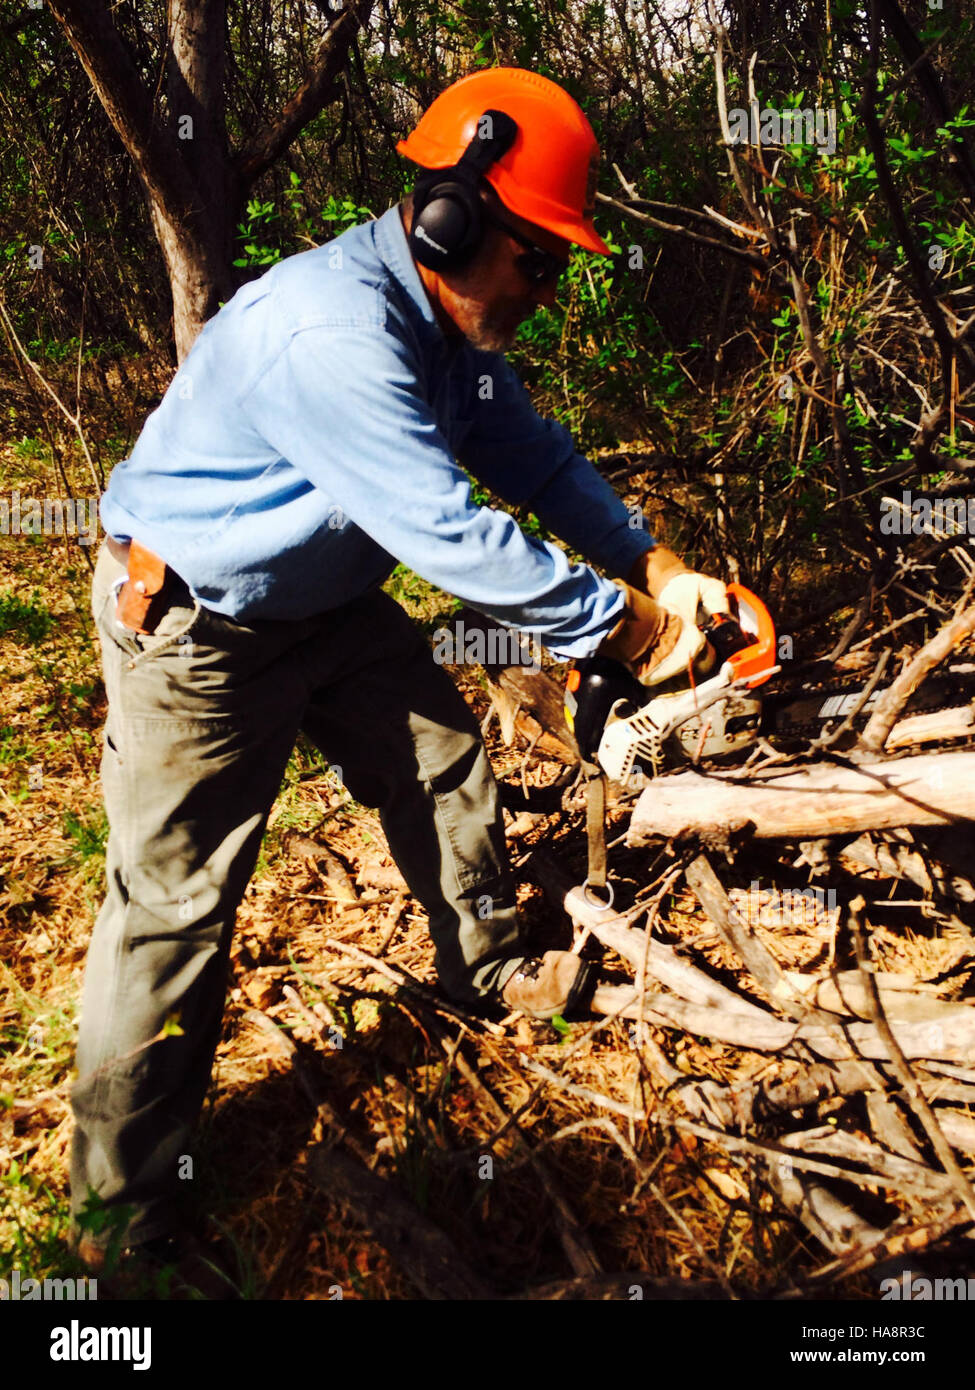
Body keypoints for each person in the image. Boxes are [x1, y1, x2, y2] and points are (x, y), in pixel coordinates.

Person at [70, 66, 728, 1280]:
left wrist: (657, 562)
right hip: (199, 627)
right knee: (172, 909)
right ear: (452, 220)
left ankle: (484, 969)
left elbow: (528, 454)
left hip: (322, 602)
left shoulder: (447, 324)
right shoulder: (336, 332)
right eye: (539, 261)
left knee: (439, 760)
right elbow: (450, 532)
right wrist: (627, 632)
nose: (546, 292)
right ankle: (122, 1219)